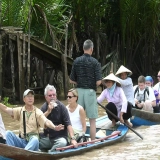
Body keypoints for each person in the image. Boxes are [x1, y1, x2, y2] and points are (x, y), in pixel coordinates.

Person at [69, 39, 102, 140]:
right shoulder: (95, 62)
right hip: (91, 92)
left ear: (83, 48)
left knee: (78, 117)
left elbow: (71, 80)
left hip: (78, 92)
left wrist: (79, 83)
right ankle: (92, 142)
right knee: (92, 120)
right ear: (91, 49)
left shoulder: (77, 61)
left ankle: (76, 139)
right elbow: (98, 82)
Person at [39, 84, 77, 153]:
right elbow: (38, 122)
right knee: (35, 141)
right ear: (46, 97)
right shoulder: (43, 108)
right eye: (50, 95)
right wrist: (48, 111)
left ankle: (49, 153)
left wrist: (72, 138)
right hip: (47, 138)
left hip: (59, 138)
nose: (52, 97)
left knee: (62, 143)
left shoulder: (62, 107)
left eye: (54, 95)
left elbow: (68, 124)